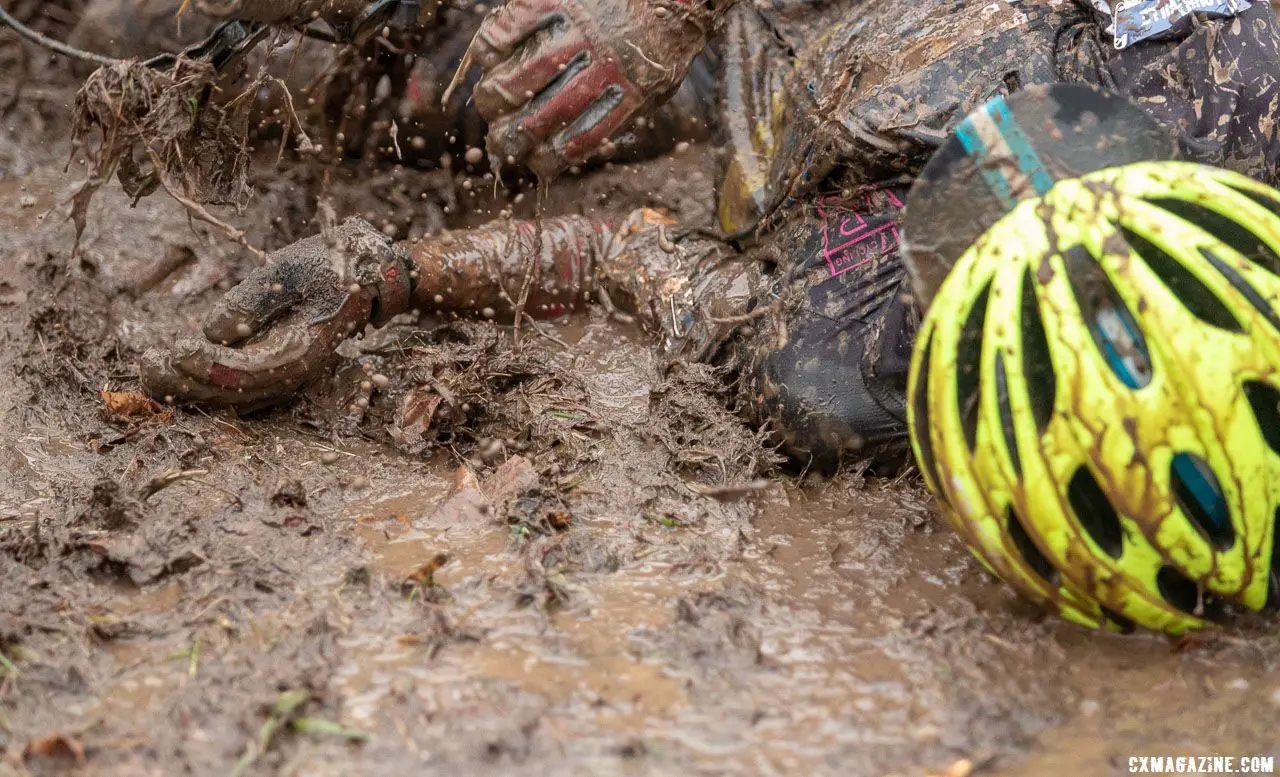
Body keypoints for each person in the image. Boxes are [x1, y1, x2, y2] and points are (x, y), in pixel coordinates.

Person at [139, 0, 1280, 473]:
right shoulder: (1240, 80)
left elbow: (649, 265)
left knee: (404, 92)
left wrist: (390, 276)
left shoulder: (852, 365)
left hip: (785, 84)